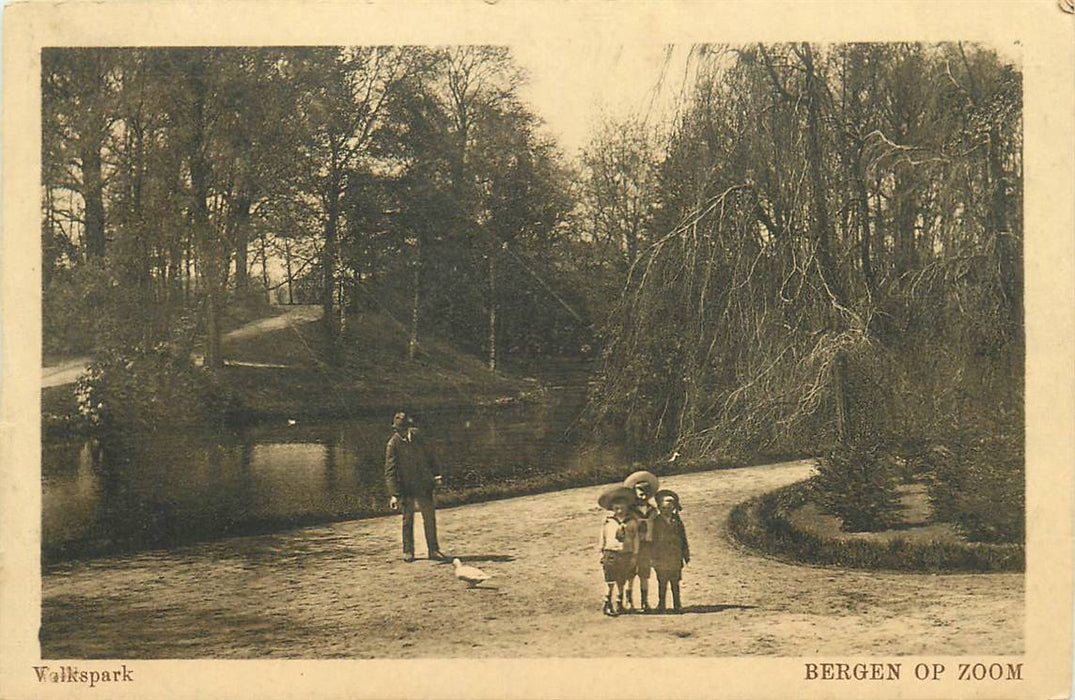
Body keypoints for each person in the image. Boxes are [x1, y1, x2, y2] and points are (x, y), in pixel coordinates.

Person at [384, 411, 446, 562]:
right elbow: (390, 472)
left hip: (424, 484)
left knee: (429, 517)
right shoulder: (393, 444)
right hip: (406, 488)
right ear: (396, 430)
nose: (404, 432)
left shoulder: (419, 436)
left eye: (405, 428)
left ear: (409, 427)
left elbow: (431, 456)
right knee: (407, 519)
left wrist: (436, 476)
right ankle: (408, 551)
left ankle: (433, 550)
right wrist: (394, 494)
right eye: (400, 430)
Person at [598, 485, 639, 617]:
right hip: (611, 553)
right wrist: (601, 552)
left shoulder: (632, 522)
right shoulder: (608, 521)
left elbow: (635, 538)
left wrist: (635, 554)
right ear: (612, 508)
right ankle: (607, 602)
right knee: (610, 580)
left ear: (627, 507)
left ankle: (620, 602)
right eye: (616, 507)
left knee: (623, 579)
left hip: (626, 553)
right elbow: (602, 537)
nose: (619, 510)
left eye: (622, 507)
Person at [623, 470, 659, 613]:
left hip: (646, 546)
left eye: (646, 491)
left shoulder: (652, 510)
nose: (643, 494)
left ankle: (645, 602)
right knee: (630, 574)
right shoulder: (629, 510)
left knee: (644, 574)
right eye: (640, 490)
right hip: (632, 545)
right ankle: (628, 601)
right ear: (634, 491)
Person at [651, 489, 690, 613]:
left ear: (673, 508)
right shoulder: (655, 521)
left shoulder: (677, 521)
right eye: (663, 508)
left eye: (669, 508)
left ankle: (677, 605)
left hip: (675, 555)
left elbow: (683, 538)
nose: (666, 510)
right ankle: (661, 605)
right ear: (659, 507)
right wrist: (652, 556)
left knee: (675, 581)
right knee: (662, 582)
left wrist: (685, 554)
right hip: (661, 556)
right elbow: (652, 540)